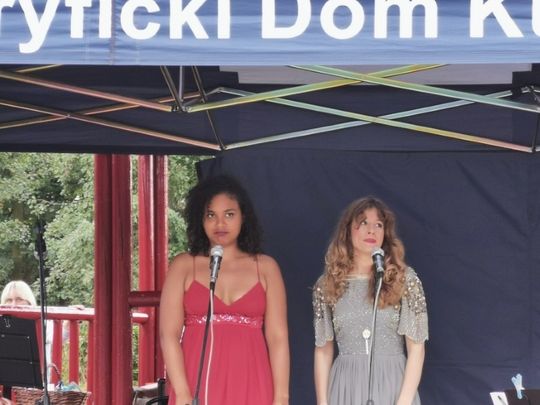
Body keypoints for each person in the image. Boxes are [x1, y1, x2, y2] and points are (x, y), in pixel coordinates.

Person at [160, 175, 290, 405]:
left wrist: (281, 397)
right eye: (211, 215)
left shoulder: (266, 267)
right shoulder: (184, 265)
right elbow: (168, 334)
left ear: (243, 217)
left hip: (253, 382)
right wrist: (182, 392)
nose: (220, 224)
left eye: (229, 214)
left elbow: (278, 338)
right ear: (200, 218)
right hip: (195, 383)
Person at [313, 196, 428, 405]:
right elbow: (323, 350)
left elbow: (417, 349)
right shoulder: (327, 284)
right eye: (363, 222)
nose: (371, 230)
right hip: (345, 387)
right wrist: (322, 402)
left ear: (386, 233)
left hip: (393, 385)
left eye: (378, 225)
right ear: (348, 230)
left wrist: (404, 401)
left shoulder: (404, 279)